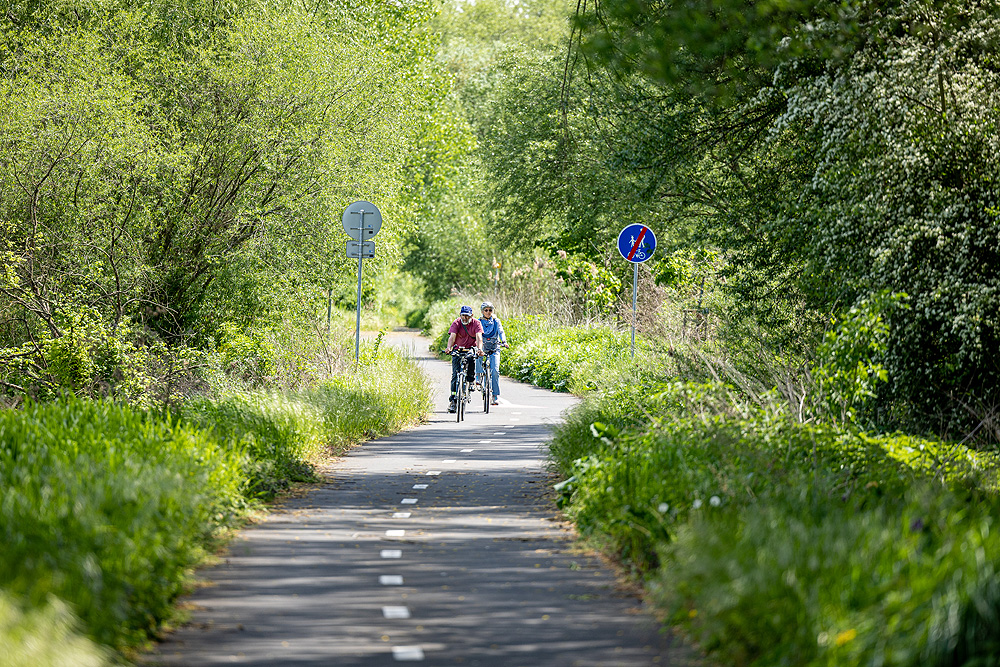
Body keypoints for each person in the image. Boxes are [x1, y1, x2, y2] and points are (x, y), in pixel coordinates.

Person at [445, 305, 483, 413]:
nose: (464, 318)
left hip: (471, 348)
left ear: (472, 315)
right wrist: (449, 348)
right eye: (463, 316)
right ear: (460, 315)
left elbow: (479, 337)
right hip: (458, 349)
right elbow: (452, 337)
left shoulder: (476, 323)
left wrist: (479, 349)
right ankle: (453, 401)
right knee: (455, 376)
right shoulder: (456, 323)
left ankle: (471, 381)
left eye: (467, 316)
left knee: (472, 358)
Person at [475, 301, 508, 406]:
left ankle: (495, 396)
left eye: (490, 310)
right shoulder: (478, 322)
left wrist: (504, 341)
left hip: (494, 348)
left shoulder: (496, 321)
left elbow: (501, 331)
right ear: (482, 311)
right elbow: (476, 334)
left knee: (495, 371)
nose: (488, 312)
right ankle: (478, 375)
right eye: (486, 310)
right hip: (483, 347)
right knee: (478, 354)